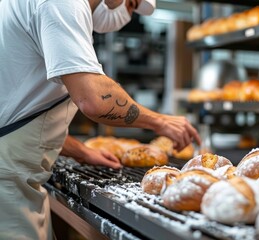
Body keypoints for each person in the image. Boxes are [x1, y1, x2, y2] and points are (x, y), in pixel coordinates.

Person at [0, 0, 201, 239]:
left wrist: (81, 152)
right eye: (132, 3)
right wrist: (161, 122)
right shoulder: (63, 4)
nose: (128, 13)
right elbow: (93, 99)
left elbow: (22, 111)